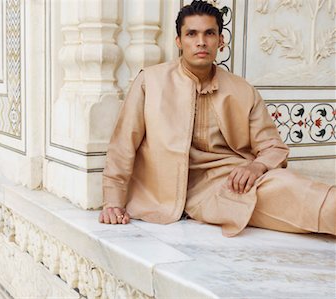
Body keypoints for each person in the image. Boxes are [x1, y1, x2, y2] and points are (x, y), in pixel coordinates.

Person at [99, 0, 335, 237]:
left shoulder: (242, 89)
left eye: (209, 33)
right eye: (191, 34)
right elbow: (122, 145)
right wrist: (112, 202)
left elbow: (272, 146)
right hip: (179, 192)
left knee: (290, 186)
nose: (201, 41)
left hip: (235, 182)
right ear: (179, 41)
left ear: (220, 41)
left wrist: (255, 167)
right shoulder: (150, 82)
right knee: (293, 197)